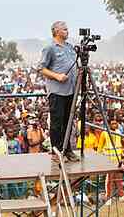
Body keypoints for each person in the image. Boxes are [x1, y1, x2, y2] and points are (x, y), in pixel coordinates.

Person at [40, 20, 78, 159]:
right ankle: (56, 151)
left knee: (68, 122)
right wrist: (56, 76)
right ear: (56, 31)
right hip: (57, 91)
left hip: (71, 90)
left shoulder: (70, 47)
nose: (67, 32)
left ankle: (67, 149)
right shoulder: (50, 48)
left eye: (67, 29)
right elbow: (41, 68)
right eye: (65, 29)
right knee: (57, 123)